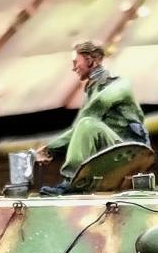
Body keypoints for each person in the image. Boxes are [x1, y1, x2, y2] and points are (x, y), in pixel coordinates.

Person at [36, 40, 148, 195]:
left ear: (89, 60)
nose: (74, 68)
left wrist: (50, 148)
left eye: (76, 62)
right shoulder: (93, 88)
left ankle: (71, 181)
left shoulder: (118, 86)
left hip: (130, 152)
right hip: (114, 150)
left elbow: (86, 120)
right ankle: (82, 182)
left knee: (87, 124)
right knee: (86, 125)